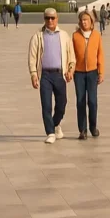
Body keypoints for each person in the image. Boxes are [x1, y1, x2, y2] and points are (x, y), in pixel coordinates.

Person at [27, 8, 76, 144]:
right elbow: (32, 57)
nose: (50, 21)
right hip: (45, 75)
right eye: (47, 18)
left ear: (57, 18)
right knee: (46, 105)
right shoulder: (37, 36)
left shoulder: (64, 36)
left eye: (52, 18)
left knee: (62, 103)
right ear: (44, 19)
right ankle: (50, 132)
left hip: (59, 74)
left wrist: (71, 69)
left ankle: (55, 124)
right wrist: (33, 74)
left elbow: (71, 56)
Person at [72, 10, 104, 140]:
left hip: (92, 72)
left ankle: (93, 127)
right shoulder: (75, 36)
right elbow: (71, 54)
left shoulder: (96, 35)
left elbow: (100, 54)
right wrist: (70, 69)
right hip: (78, 73)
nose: (84, 22)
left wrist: (101, 72)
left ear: (91, 21)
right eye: (82, 20)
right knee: (80, 101)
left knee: (92, 101)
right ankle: (82, 130)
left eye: (86, 19)